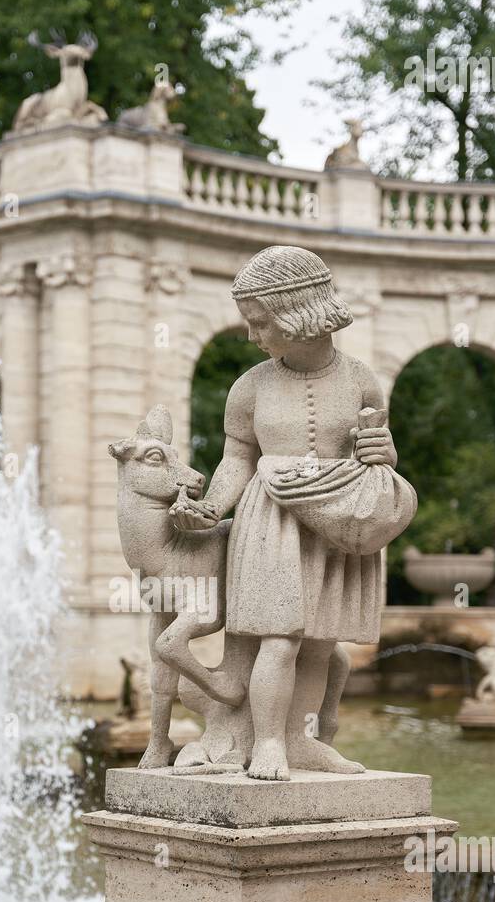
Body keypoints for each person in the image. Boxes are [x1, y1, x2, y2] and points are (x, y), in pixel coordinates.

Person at [171, 246, 402, 779]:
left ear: (299, 315)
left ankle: (299, 741)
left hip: (339, 517)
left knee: (321, 643)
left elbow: (377, 456)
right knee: (279, 636)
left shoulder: (362, 379)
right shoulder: (249, 386)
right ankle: (267, 743)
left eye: (261, 323)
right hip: (271, 517)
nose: (253, 336)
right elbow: (236, 460)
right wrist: (210, 507)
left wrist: (384, 455)